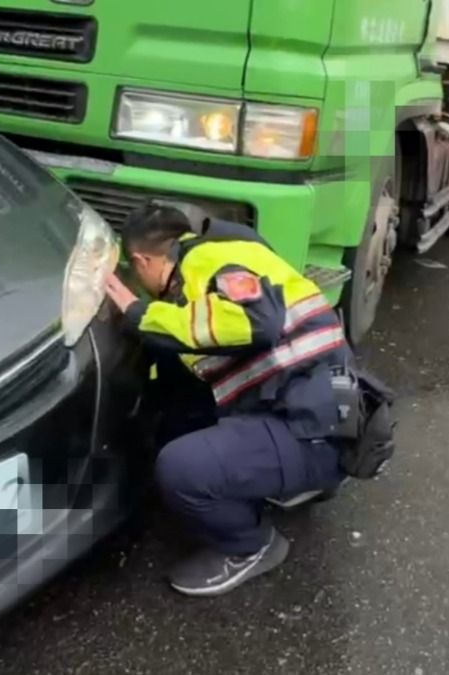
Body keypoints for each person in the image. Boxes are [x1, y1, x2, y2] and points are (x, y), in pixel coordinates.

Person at [103, 203, 351, 597]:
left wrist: (141, 315)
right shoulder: (230, 247)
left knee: (180, 467)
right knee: (177, 392)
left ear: (142, 260)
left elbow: (258, 322)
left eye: (135, 273)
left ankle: (250, 546)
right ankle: (296, 479)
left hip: (315, 432)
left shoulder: (208, 264)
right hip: (329, 412)